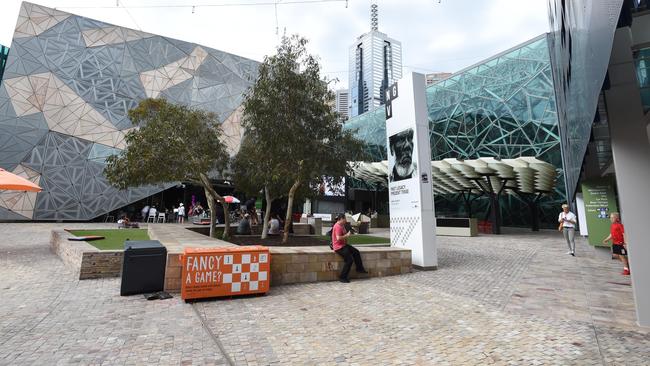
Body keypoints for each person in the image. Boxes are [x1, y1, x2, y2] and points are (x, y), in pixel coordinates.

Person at [331, 213, 368, 283]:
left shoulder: (342, 225)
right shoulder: (338, 226)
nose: (346, 220)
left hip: (343, 245)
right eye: (345, 219)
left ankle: (359, 268)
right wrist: (347, 235)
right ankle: (342, 277)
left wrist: (349, 233)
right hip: (338, 247)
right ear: (341, 219)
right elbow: (338, 238)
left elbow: (344, 235)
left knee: (356, 252)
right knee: (349, 260)